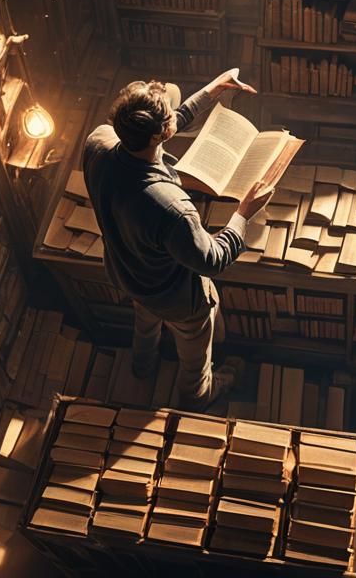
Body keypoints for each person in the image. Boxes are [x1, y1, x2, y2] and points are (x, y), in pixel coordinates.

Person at [82, 69, 273, 410]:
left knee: (145, 327)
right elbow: (211, 260)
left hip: (129, 275)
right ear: (165, 132)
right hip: (178, 300)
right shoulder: (172, 207)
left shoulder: (99, 142)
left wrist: (210, 91)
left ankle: (143, 367)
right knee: (195, 360)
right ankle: (199, 395)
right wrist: (244, 213)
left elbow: (158, 129)